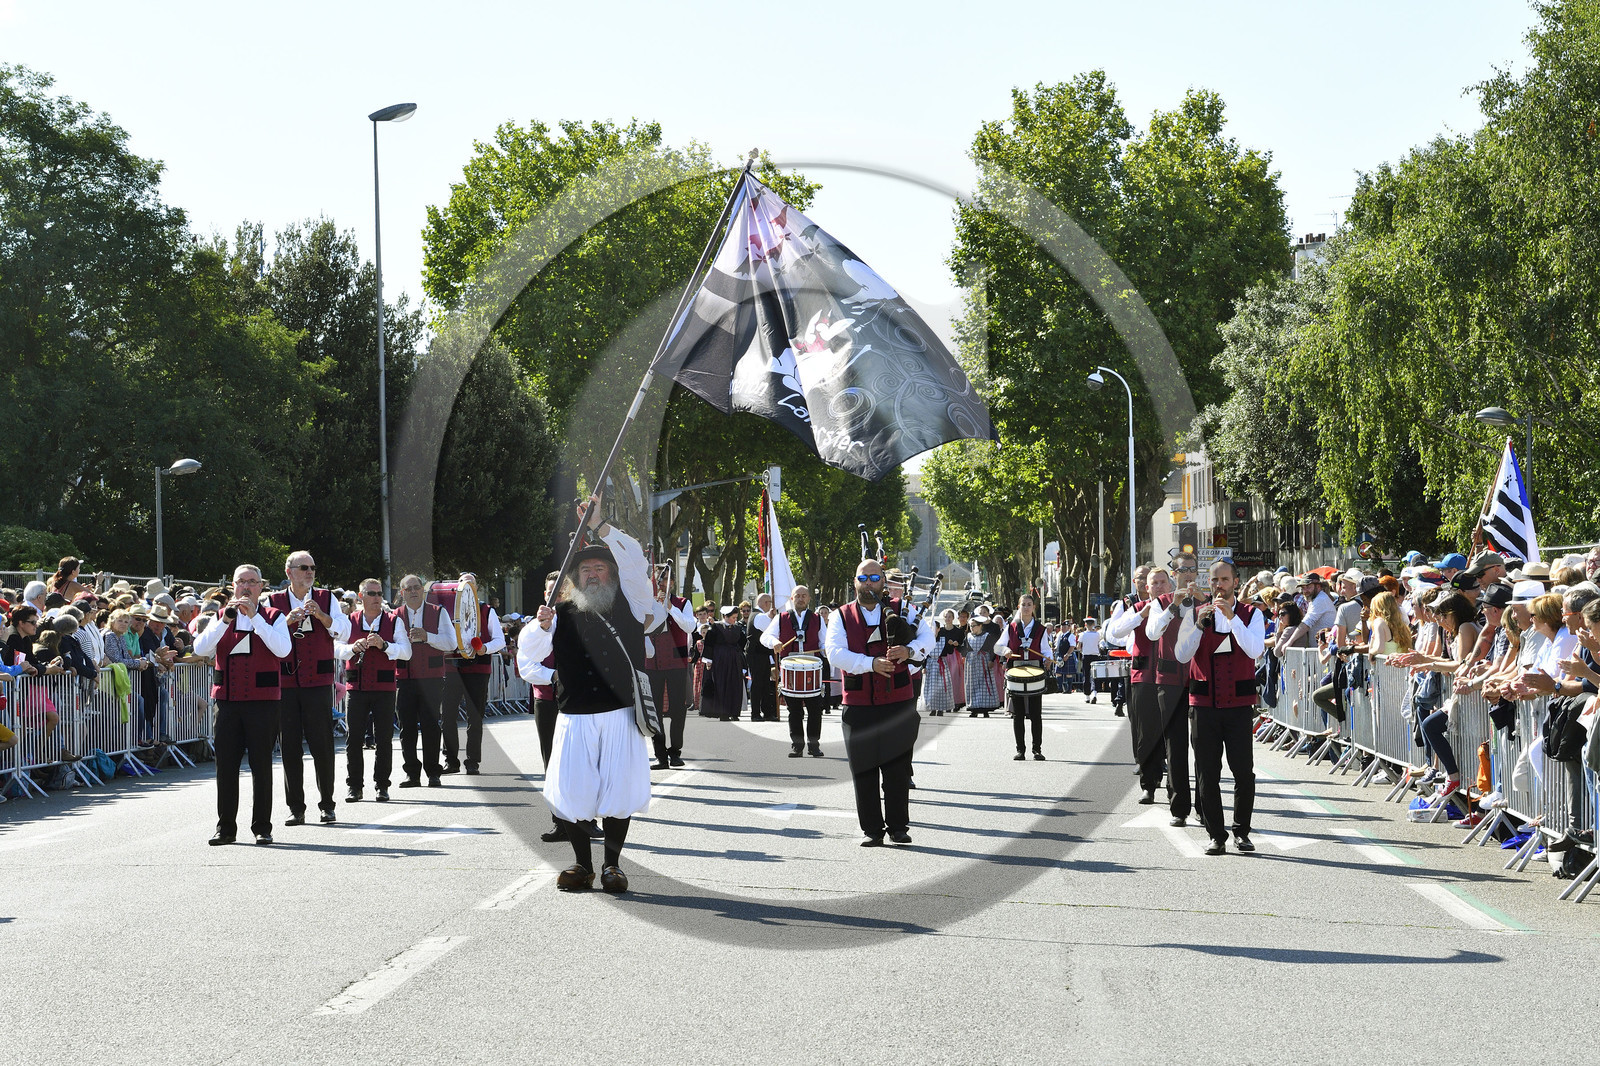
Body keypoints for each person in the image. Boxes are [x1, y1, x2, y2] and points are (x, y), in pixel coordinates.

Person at [517, 498, 657, 893]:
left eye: (600, 567)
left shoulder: (632, 601)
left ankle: (612, 866)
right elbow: (527, 653)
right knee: (571, 793)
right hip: (574, 716)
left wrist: (602, 526)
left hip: (619, 714)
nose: (593, 574)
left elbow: (635, 562)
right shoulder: (558, 613)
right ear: (574, 578)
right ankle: (582, 865)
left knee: (619, 792)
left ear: (612, 574)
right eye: (586, 569)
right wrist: (539, 626)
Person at [823, 557, 935, 847]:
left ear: (884, 581)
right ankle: (872, 829)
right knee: (863, 769)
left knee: (897, 768)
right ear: (854, 582)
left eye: (874, 578)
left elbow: (928, 637)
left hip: (898, 701)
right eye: (863, 578)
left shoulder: (904, 609)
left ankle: (899, 827)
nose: (869, 583)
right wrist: (870, 663)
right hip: (858, 704)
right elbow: (834, 652)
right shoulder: (841, 615)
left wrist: (909, 650)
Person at [1174, 558, 1266, 856]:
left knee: (1243, 771)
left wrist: (1233, 618)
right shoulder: (1195, 613)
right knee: (1207, 773)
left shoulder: (1251, 614)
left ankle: (1242, 832)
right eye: (1214, 580)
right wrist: (1199, 627)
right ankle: (1216, 834)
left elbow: (1254, 649)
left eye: (1224, 580)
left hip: (1239, 706)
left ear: (1235, 582)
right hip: (1204, 705)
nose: (1219, 585)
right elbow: (1181, 654)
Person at [195, 565, 292, 846]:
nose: (246, 587)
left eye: (252, 582)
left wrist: (257, 619)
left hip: (263, 703)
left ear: (261, 587)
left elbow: (282, 651)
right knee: (225, 766)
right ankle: (225, 828)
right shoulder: (220, 617)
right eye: (241, 582)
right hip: (227, 702)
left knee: (261, 766)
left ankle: (262, 826)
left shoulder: (275, 616)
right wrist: (225, 621)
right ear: (233, 586)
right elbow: (201, 649)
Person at [268, 551, 349, 826]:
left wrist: (323, 616)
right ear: (289, 571)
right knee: (289, 746)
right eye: (304, 567)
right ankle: (296, 807)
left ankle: (327, 804)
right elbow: (265, 636)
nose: (310, 572)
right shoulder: (274, 601)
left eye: (313, 567)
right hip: (287, 683)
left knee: (322, 746)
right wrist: (287, 621)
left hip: (318, 682)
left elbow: (344, 630)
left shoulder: (327, 598)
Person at [336, 579, 411, 803]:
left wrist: (385, 645)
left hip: (384, 688)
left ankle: (382, 785)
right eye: (371, 593)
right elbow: (335, 647)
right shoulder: (349, 620)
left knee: (384, 738)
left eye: (379, 593)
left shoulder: (393, 621)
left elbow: (406, 652)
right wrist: (352, 647)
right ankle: (355, 787)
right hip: (356, 687)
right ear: (361, 597)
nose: (377, 598)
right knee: (354, 738)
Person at [1124, 565, 1190, 819]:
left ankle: (1178, 794)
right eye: (1154, 582)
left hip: (1175, 680)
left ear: (1171, 584)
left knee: (1175, 742)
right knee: (1147, 734)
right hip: (1144, 678)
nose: (1159, 586)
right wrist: (1140, 615)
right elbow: (1118, 634)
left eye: (1164, 582)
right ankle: (1149, 785)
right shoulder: (1136, 607)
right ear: (1145, 587)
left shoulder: (1189, 602)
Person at [440, 572, 506, 776]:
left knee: (474, 717)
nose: (466, 586)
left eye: (471, 584)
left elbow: (500, 640)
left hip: (478, 669)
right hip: (452, 668)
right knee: (448, 715)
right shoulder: (446, 609)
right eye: (463, 583)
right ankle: (451, 760)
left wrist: (484, 648)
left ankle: (472, 761)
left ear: (476, 588)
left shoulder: (486, 610)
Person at [395, 574, 454, 790]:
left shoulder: (439, 612)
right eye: (408, 588)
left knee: (431, 726)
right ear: (402, 593)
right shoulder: (395, 615)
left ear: (423, 590)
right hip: (405, 679)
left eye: (416, 587)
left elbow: (451, 643)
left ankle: (433, 772)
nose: (413, 591)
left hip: (431, 679)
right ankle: (412, 774)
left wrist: (427, 636)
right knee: (406, 728)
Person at [764, 584, 827, 756]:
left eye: (804, 595)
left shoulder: (818, 619)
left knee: (815, 710)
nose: (800, 598)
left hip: (813, 668)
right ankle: (797, 746)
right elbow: (765, 636)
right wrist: (774, 643)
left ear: (808, 598)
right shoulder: (781, 618)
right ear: (792, 599)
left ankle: (814, 746)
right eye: (797, 595)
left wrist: (827, 650)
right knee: (794, 710)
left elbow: (824, 643)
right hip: (790, 669)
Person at [644, 566, 695, 769]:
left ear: (673, 583)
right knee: (654, 711)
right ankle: (660, 756)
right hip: (652, 662)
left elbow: (690, 627)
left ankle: (675, 752)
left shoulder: (683, 603)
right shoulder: (645, 603)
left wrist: (670, 609)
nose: (663, 584)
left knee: (677, 709)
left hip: (677, 661)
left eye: (666, 580)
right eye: (659, 580)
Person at [995, 594, 1053, 760]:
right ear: (1018, 607)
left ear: (1033, 607)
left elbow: (1046, 649)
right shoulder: (1011, 627)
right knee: (1018, 713)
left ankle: (1037, 749)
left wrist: (1048, 660)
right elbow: (998, 646)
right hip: (1015, 670)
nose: (1026, 607)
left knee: (1036, 713)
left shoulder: (1041, 629)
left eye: (1029, 604)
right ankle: (1020, 750)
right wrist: (1005, 650)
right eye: (1023, 605)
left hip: (1035, 670)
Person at [700, 605, 747, 721]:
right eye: (733, 617)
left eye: (736, 617)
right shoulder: (715, 628)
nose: (735, 620)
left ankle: (735, 712)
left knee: (735, 684)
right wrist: (708, 661)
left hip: (734, 659)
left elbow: (742, 644)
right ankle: (723, 713)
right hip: (720, 659)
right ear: (726, 616)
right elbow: (709, 644)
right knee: (722, 684)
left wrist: (742, 661)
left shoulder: (737, 629)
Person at [744, 592, 780, 723]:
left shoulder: (759, 616)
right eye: (770, 603)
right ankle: (755, 713)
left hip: (761, 654)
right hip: (756, 654)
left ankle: (767, 712)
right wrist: (772, 617)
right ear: (766, 603)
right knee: (758, 684)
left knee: (765, 684)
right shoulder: (759, 616)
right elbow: (772, 630)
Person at [922, 608, 963, 718]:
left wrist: (951, 645)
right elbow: (924, 655)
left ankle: (940, 709)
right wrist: (924, 666)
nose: (933, 630)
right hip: (931, 665)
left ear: (939, 629)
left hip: (941, 664)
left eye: (935, 628)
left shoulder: (943, 639)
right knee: (931, 688)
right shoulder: (926, 640)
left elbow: (948, 652)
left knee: (941, 687)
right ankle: (932, 707)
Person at [961, 607, 1001, 716]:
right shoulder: (968, 636)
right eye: (970, 626)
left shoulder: (987, 636)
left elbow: (993, 648)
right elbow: (964, 649)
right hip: (972, 664)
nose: (972, 628)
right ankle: (973, 707)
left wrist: (991, 660)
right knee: (972, 684)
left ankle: (984, 709)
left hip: (983, 662)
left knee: (984, 684)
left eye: (974, 626)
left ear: (980, 626)